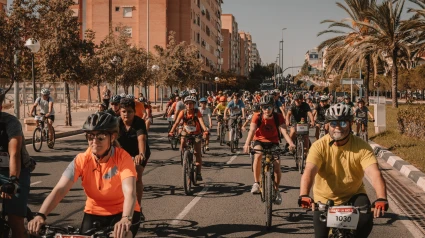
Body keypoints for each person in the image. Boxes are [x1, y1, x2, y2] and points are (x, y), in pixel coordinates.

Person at [27, 112, 141, 238]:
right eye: (90, 136)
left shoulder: (123, 158)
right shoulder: (81, 159)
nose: (94, 141)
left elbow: (130, 192)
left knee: (123, 235)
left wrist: (126, 218)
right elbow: (60, 190)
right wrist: (41, 215)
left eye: (101, 137)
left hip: (123, 211)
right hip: (94, 211)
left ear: (112, 137)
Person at [298, 103, 388, 238]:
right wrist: (304, 194)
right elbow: (309, 172)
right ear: (327, 125)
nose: (338, 127)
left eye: (343, 123)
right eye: (333, 123)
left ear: (351, 124)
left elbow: (374, 173)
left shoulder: (362, 147)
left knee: (366, 220)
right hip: (324, 200)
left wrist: (381, 198)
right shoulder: (318, 146)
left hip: (354, 195)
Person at [243, 95, 295, 204]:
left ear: (273, 107)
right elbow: (252, 131)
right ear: (261, 108)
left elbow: (284, 132)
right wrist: (247, 144)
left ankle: (276, 190)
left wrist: (290, 143)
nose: (267, 109)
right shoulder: (257, 116)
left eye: (269, 107)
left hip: (273, 142)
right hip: (259, 141)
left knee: (277, 165)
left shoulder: (278, 117)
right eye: (264, 107)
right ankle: (256, 183)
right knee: (257, 155)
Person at [0, 88, 33, 238]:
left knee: (15, 220)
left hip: (17, 170)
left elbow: (14, 154)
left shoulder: (10, 123)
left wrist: (12, 181)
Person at [117, 98, 150, 222]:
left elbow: (141, 139)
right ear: (120, 112)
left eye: (130, 112)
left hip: (138, 152)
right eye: (124, 111)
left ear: (134, 111)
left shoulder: (139, 122)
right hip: (121, 152)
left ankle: (138, 208)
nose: (126, 114)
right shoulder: (116, 123)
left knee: (136, 176)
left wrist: (141, 154)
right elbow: (112, 140)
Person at [168, 96, 209, 181]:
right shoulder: (183, 112)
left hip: (196, 133)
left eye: (190, 103)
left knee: (197, 153)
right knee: (182, 140)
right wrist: (171, 131)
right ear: (185, 104)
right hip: (186, 132)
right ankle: (185, 155)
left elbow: (201, 121)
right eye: (187, 103)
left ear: (194, 104)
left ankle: (198, 173)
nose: (188, 105)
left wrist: (205, 130)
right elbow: (176, 122)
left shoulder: (196, 112)